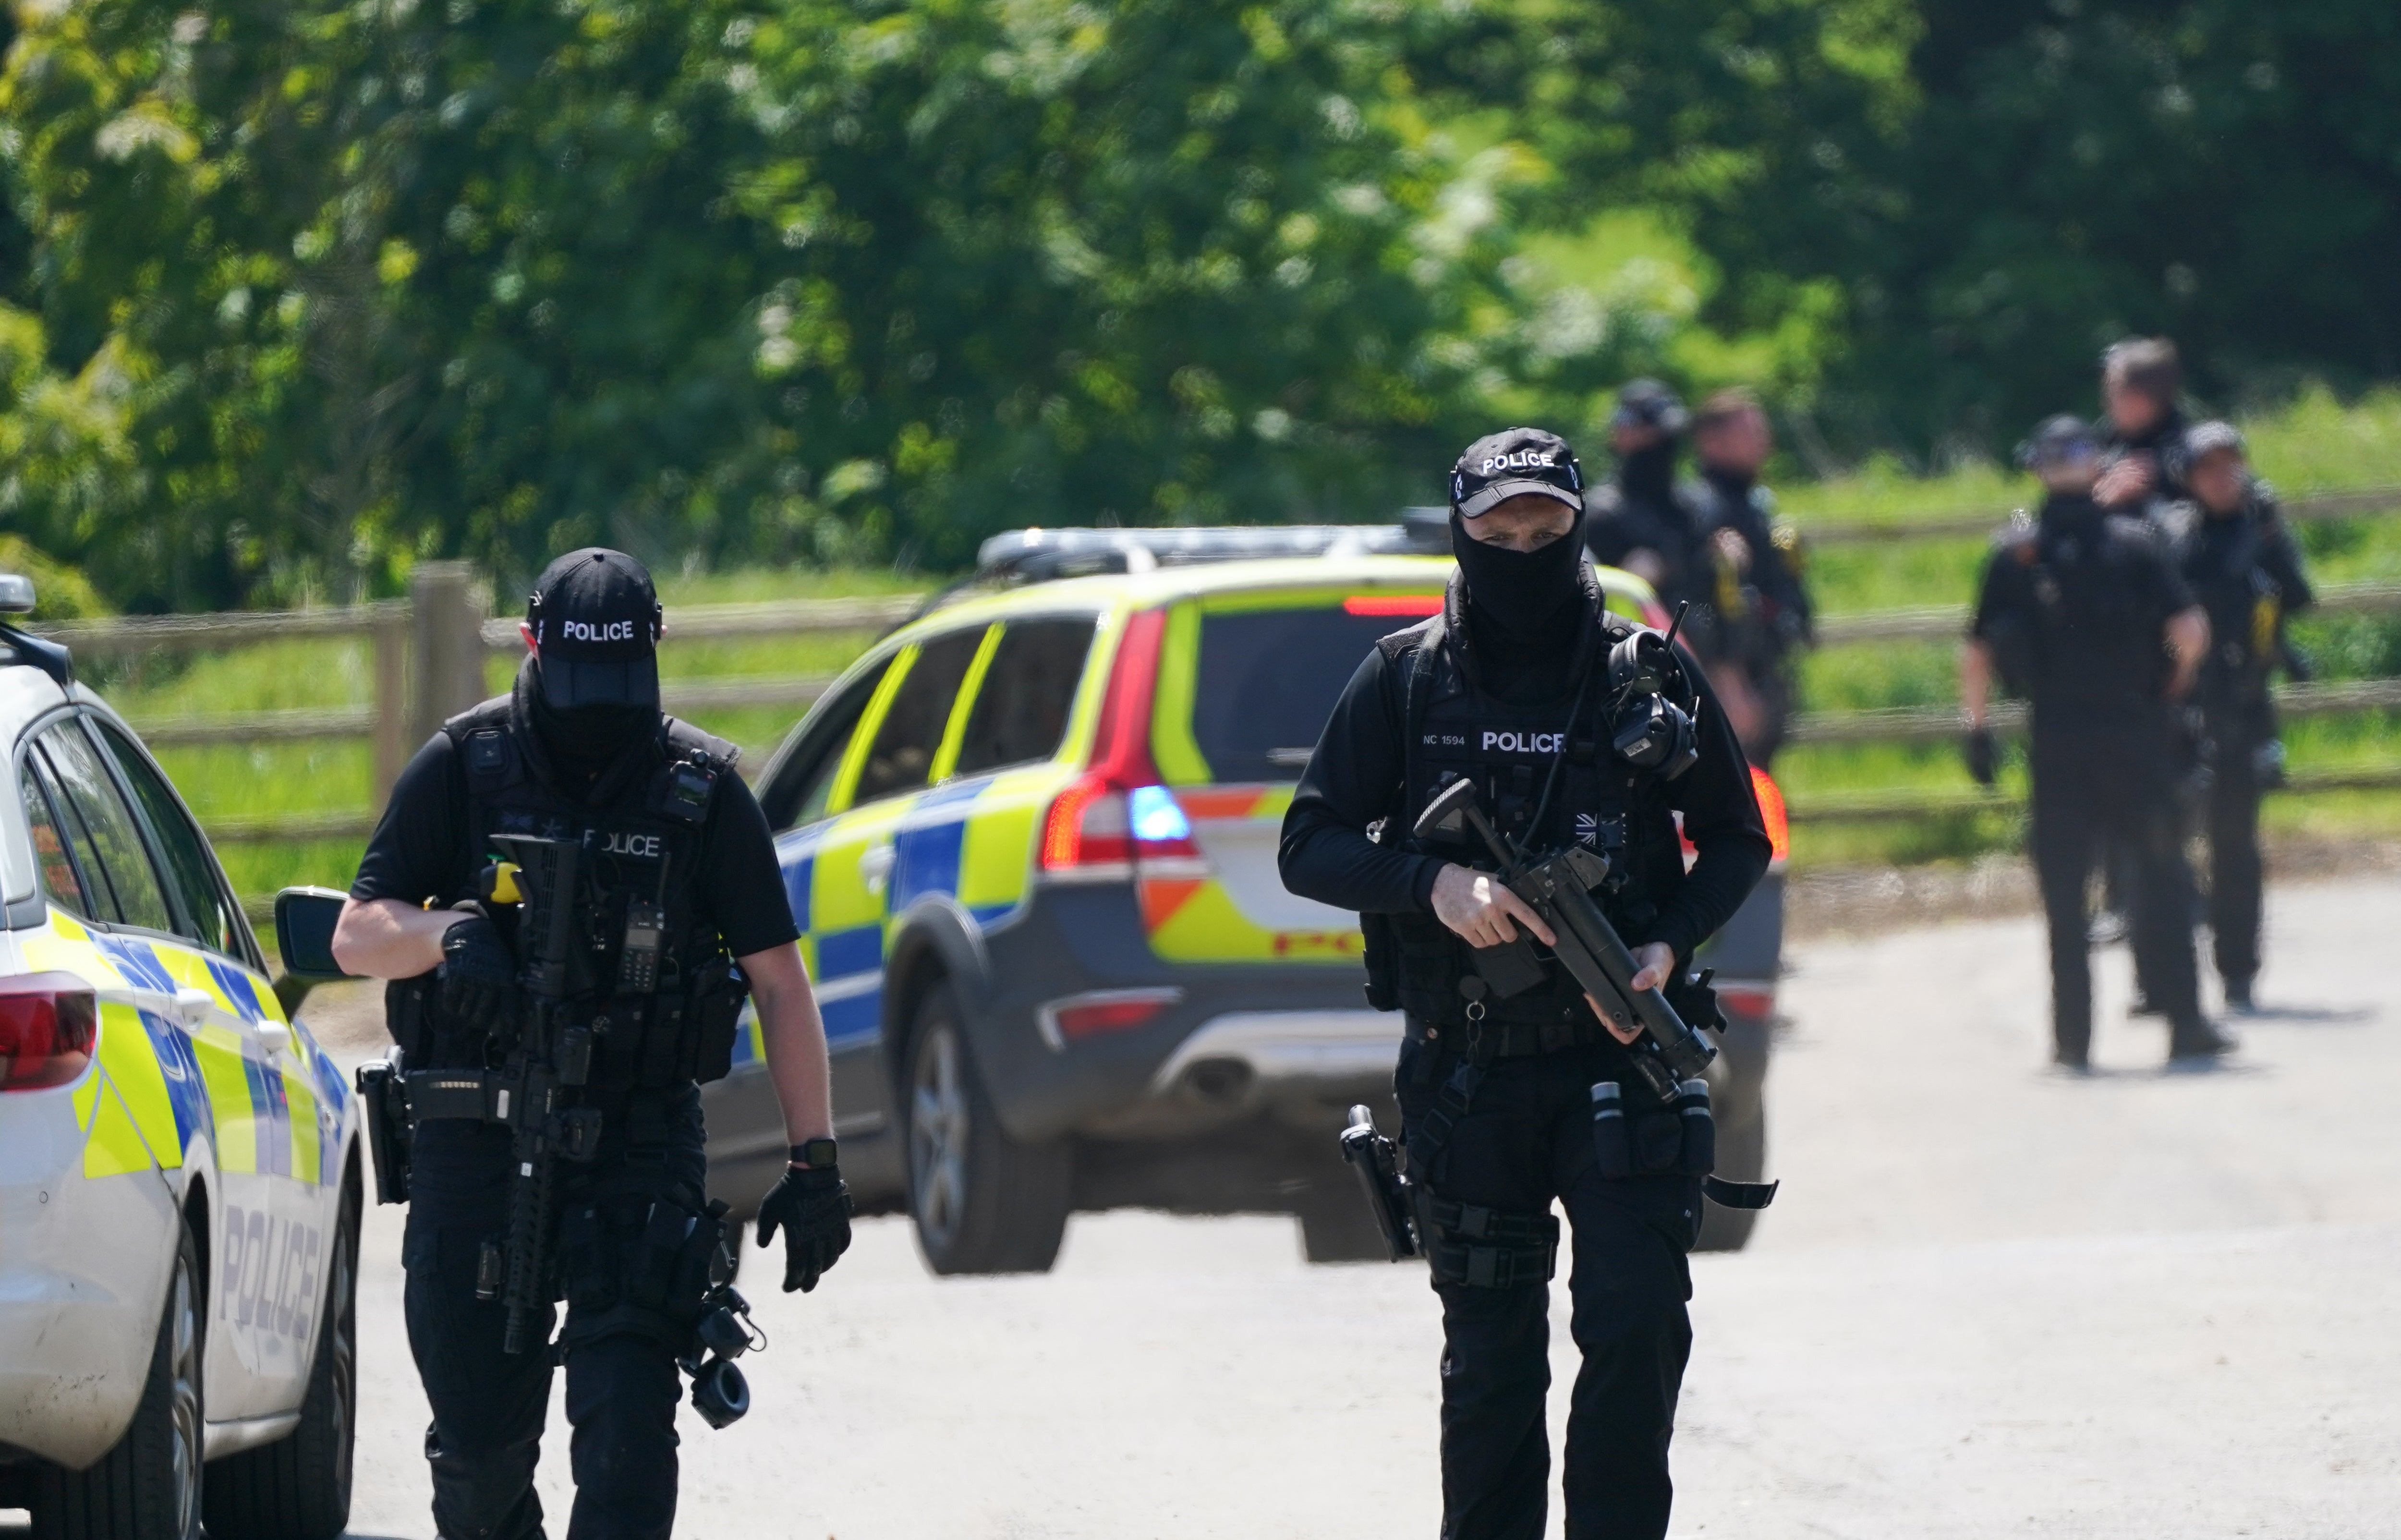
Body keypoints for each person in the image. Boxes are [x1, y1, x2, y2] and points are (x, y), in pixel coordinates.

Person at [1281, 428, 1772, 1540]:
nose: (1520, 548)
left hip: (1622, 1063)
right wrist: (1433, 882)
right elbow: (1306, 845)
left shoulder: (1642, 668)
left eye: (1542, 530)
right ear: (1460, 531)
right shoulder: (1403, 678)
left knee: (1637, 1325)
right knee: (1493, 1362)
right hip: (1471, 1081)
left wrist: (1665, 948)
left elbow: (1737, 841)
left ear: (1578, 523)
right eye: (1497, 533)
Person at [331, 548, 855, 1540]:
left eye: (619, 691)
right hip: (477, 1139)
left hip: (637, 1140)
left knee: (626, 1452)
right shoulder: (466, 763)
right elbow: (358, 935)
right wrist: (451, 934)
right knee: (478, 1469)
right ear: (533, 647)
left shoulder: (701, 791)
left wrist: (815, 1159)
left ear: (654, 653)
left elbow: (779, 980)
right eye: (582, 689)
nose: (599, 716)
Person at [1960, 418, 2231, 1069]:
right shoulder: (2137, 542)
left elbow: (1977, 651)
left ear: (2037, 469)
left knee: (2064, 893)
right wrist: (2176, 685)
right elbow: (2191, 629)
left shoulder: (2015, 552)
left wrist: (1976, 727)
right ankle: (2186, 1022)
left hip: (2055, 741)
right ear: (2096, 463)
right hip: (2136, 734)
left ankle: (2073, 1039)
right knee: (2163, 875)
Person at [2160, 422, 2315, 1010]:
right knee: (2166, 840)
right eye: (2208, 469)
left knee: (2234, 844)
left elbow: (2296, 596)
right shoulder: (2174, 534)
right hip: (2182, 704)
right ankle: (2165, 976)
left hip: (2242, 705)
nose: (2222, 479)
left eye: (2231, 466)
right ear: (2188, 478)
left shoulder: (2261, 530)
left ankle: (2237, 969)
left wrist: (2268, 538)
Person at [1685, 388, 1813, 764]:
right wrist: (1730, 681)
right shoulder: (1703, 510)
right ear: (1712, 441)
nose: (1764, 441)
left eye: (1762, 430)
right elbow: (1704, 605)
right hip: (1732, 683)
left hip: (1765, 668)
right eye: (1750, 432)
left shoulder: (1756, 505)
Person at [1584, 379, 1698, 599]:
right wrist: (1625, 581)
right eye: (1648, 436)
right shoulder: (1602, 515)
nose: (1659, 446)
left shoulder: (1690, 509)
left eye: (1664, 437)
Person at [2094, 336, 2191, 517]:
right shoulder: (2106, 440)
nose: (2106, 401)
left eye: (2115, 390)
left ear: (2143, 400)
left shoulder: (2194, 454)